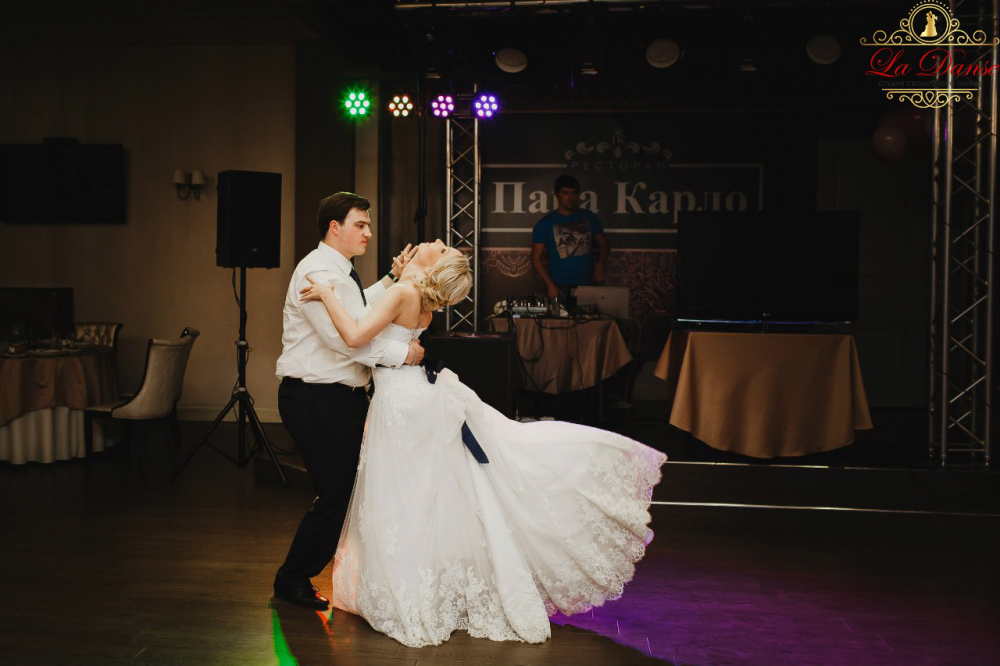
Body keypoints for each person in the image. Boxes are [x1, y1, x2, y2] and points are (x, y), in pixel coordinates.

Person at [297, 238, 668, 648]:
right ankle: (420, 583)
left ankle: (407, 589)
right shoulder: (417, 297)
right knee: (425, 493)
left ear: (432, 265)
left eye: (441, 248)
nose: (437, 242)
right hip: (414, 394)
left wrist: (328, 295)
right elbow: (376, 326)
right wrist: (392, 280)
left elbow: (354, 336)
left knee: (404, 496)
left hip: (401, 402)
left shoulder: (404, 292)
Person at [272, 191, 426, 610]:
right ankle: (292, 579)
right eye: (360, 224)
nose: (369, 233)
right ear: (334, 226)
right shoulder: (316, 273)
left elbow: (356, 313)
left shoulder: (338, 270)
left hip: (340, 398)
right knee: (336, 493)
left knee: (343, 491)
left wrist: (390, 279)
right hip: (315, 397)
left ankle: (301, 575)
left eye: (368, 225)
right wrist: (405, 354)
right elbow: (347, 340)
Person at [531, 175, 611, 302]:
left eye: (573, 193)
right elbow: (535, 258)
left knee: (590, 316)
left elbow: (605, 245)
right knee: (560, 316)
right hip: (559, 286)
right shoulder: (545, 224)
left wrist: (599, 265)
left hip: (587, 285)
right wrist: (550, 284)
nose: (570, 198)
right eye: (565, 193)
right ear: (557, 195)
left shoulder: (589, 217)